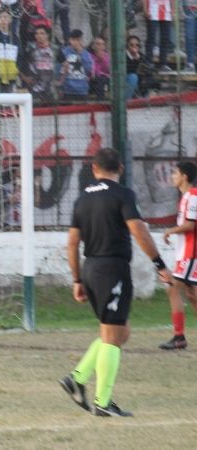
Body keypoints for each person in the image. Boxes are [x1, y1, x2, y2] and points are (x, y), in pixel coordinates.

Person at [60, 147, 172, 417]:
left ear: (94, 169)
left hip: (91, 268)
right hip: (112, 269)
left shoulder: (82, 199)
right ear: (120, 168)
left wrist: (77, 279)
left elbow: (72, 243)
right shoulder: (123, 194)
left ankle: (77, 378)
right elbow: (139, 230)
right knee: (112, 336)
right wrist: (159, 263)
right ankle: (103, 402)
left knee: (120, 332)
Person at [159, 162, 197, 350]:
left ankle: (179, 337)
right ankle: (179, 337)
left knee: (173, 288)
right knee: (191, 294)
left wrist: (170, 231)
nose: (172, 176)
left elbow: (191, 225)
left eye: (175, 173)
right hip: (185, 254)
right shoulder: (185, 198)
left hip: (191, 253)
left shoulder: (193, 196)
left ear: (184, 177)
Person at [19, 25, 55, 101]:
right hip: (34, 89)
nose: (39, 36)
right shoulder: (30, 50)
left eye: (42, 33)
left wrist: (60, 81)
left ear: (47, 35)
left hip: (51, 89)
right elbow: (20, 64)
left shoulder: (55, 49)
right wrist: (24, 78)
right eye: (37, 33)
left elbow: (64, 64)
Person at [58, 29, 93, 101]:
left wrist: (81, 53)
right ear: (70, 40)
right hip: (68, 89)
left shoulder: (86, 54)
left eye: (78, 40)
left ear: (81, 40)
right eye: (73, 40)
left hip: (82, 89)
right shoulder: (64, 52)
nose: (76, 42)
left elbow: (88, 70)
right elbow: (60, 70)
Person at [144, 0, 174, 72]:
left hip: (166, 11)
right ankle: (149, 62)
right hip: (152, 10)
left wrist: (173, 9)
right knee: (151, 38)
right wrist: (145, 9)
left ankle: (163, 64)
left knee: (165, 39)